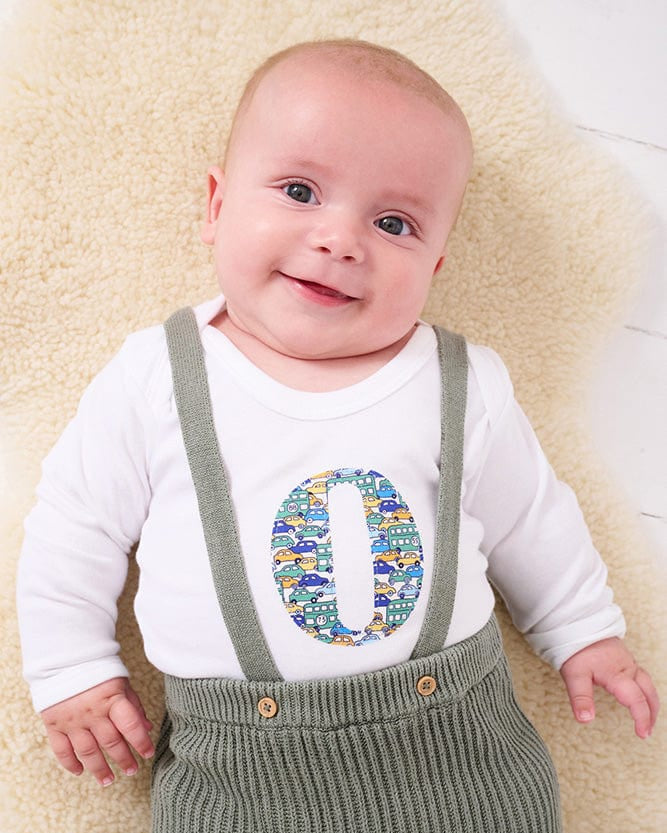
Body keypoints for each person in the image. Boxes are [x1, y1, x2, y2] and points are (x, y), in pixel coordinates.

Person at [17, 39, 659, 832]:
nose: (340, 238)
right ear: (216, 207)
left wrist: (583, 630)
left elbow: (531, 518)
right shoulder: (158, 376)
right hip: (238, 778)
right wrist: (72, 668)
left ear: (436, 262)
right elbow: (73, 526)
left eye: (394, 222)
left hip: (462, 755)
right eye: (298, 190)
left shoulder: (458, 383)